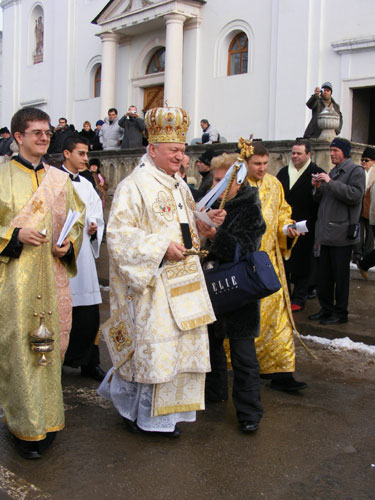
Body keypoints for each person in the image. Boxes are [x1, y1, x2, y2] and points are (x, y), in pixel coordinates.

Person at [98, 106, 225, 437]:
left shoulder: (179, 185)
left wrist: (205, 225)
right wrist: (159, 249)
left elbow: (186, 231)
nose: (180, 157)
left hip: (184, 284)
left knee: (177, 355)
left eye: (183, 151)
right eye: (174, 151)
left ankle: (166, 416)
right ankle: (138, 415)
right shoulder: (134, 186)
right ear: (153, 149)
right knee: (153, 355)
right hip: (152, 288)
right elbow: (119, 235)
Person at [0, 107, 84, 459]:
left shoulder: (60, 180)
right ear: (18, 137)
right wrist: (14, 234)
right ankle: (24, 428)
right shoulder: (2, 176)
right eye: (36, 132)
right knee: (19, 350)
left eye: (47, 131)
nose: (44, 137)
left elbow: (76, 222)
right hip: (13, 281)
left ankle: (48, 420)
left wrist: (69, 244)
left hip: (52, 278)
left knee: (49, 352)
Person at [198, 152, 266, 433]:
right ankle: (214, 393)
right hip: (209, 284)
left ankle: (249, 413)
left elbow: (248, 247)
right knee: (210, 345)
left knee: (242, 352)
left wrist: (216, 235)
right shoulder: (211, 199)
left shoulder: (250, 205)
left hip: (238, 288)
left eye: (220, 181)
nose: (214, 187)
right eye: (213, 180)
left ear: (236, 181)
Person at [246, 142, 307, 392]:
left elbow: (283, 213)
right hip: (246, 264)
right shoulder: (237, 186)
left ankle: (281, 371)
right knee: (249, 321)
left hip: (271, 262)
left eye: (265, 163)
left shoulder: (274, 183)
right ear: (246, 163)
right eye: (257, 164)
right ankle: (245, 367)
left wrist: (288, 228)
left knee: (279, 318)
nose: (262, 168)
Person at [59, 136, 105, 382]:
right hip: (62, 255)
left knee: (88, 315)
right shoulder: (53, 181)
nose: (86, 158)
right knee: (62, 312)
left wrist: (94, 226)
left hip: (84, 256)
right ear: (67, 154)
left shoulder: (87, 184)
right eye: (81, 153)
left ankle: (90, 362)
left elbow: (96, 213)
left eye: (86, 154)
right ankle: (57, 363)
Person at [309, 138, 365, 324]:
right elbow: (322, 200)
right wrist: (317, 188)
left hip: (341, 235)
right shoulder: (333, 171)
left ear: (344, 152)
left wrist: (330, 182)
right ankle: (326, 309)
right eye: (330, 150)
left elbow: (355, 195)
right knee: (323, 276)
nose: (331, 153)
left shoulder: (355, 171)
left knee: (340, 278)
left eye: (335, 150)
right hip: (325, 233)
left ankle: (340, 313)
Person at [276, 140, 324, 312]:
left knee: (303, 262)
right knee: (285, 260)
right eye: (293, 153)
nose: (295, 156)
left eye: (299, 153)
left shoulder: (316, 173)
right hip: (285, 223)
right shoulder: (283, 172)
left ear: (308, 155)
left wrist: (316, 189)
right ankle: (286, 294)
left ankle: (300, 296)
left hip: (306, 224)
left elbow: (321, 199)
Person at [352, 146, 375, 266]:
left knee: (370, 234)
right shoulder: (358, 171)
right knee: (358, 231)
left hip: (371, 209)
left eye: (366, 160)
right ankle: (357, 254)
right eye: (362, 160)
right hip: (359, 207)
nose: (363, 162)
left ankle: (367, 254)